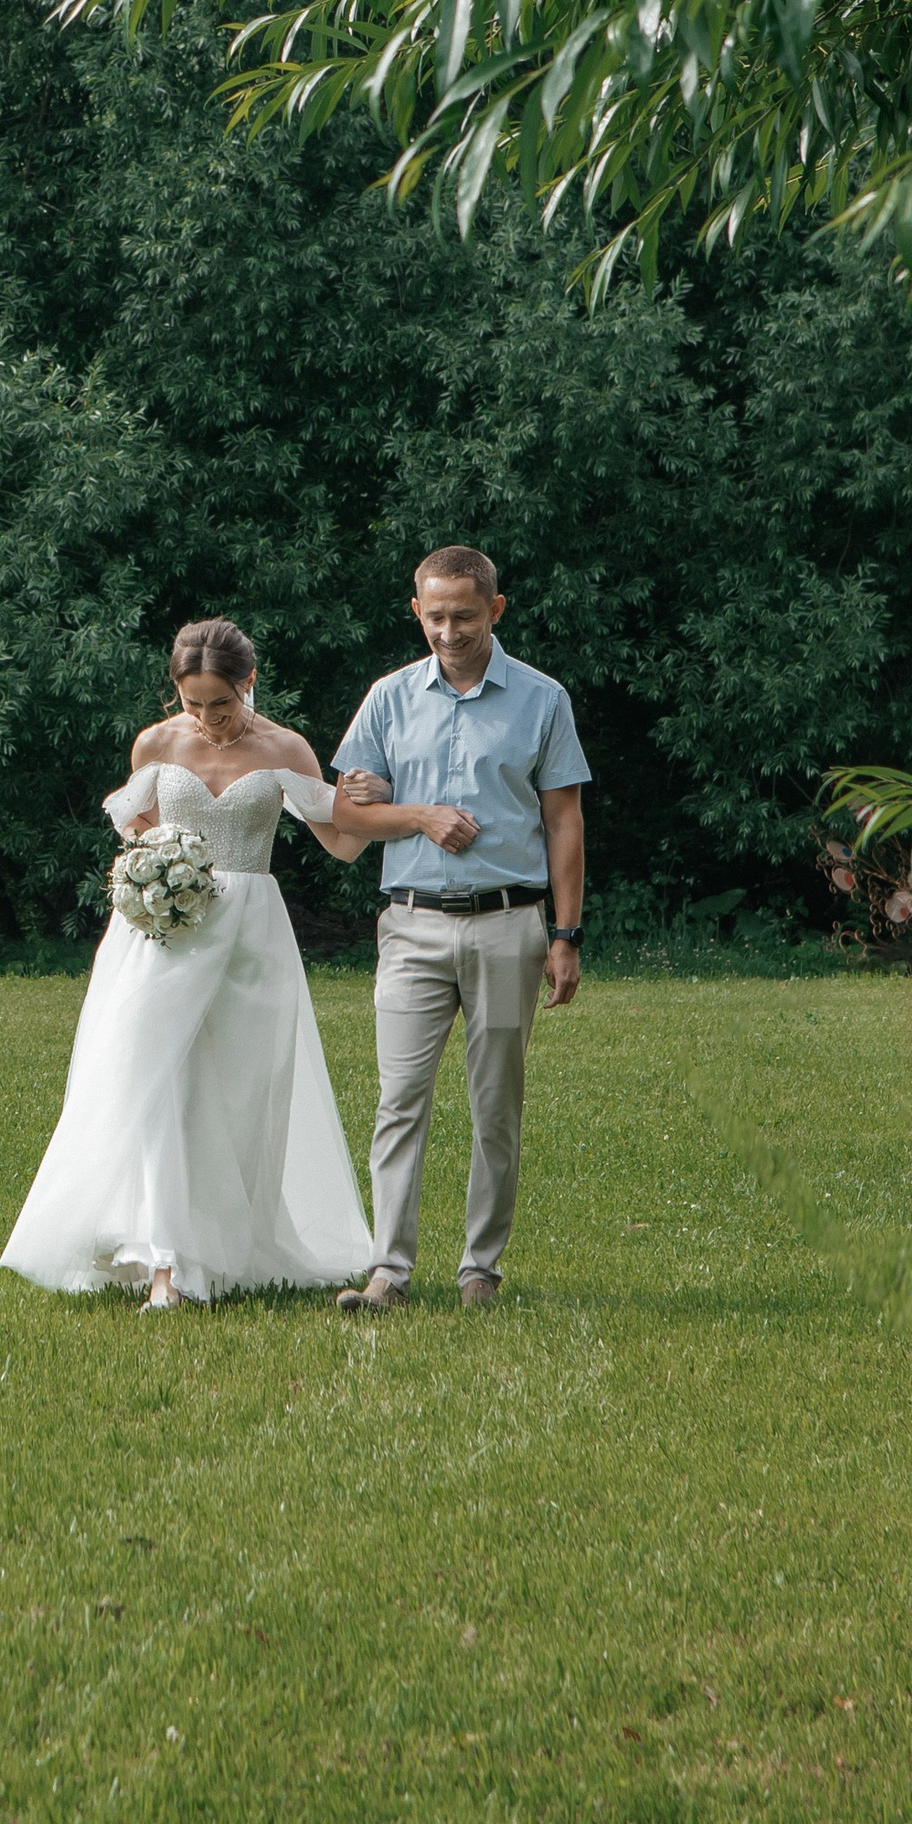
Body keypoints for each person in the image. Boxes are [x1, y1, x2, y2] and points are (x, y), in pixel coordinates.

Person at [1, 619, 375, 1308]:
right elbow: (132, 819)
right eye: (191, 703)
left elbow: (341, 844)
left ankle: (223, 1247)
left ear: (247, 684)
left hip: (250, 941)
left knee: (235, 1091)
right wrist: (159, 868)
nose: (205, 720)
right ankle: (167, 1268)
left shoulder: (286, 747)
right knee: (160, 1081)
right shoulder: (156, 741)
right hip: (164, 934)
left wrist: (368, 803)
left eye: (220, 705)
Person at [329, 547, 588, 1311]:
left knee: (494, 1104)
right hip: (409, 926)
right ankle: (388, 1273)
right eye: (435, 616)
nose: (449, 630)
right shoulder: (388, 697)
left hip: (511, 925)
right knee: (399, 1099)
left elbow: (565, 821)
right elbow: (347, 811)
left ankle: (480, 1271)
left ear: (496, 610)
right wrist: (415, 814)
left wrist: (567, 935)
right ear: (417, 611)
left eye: (465, 616)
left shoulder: (543, 700)